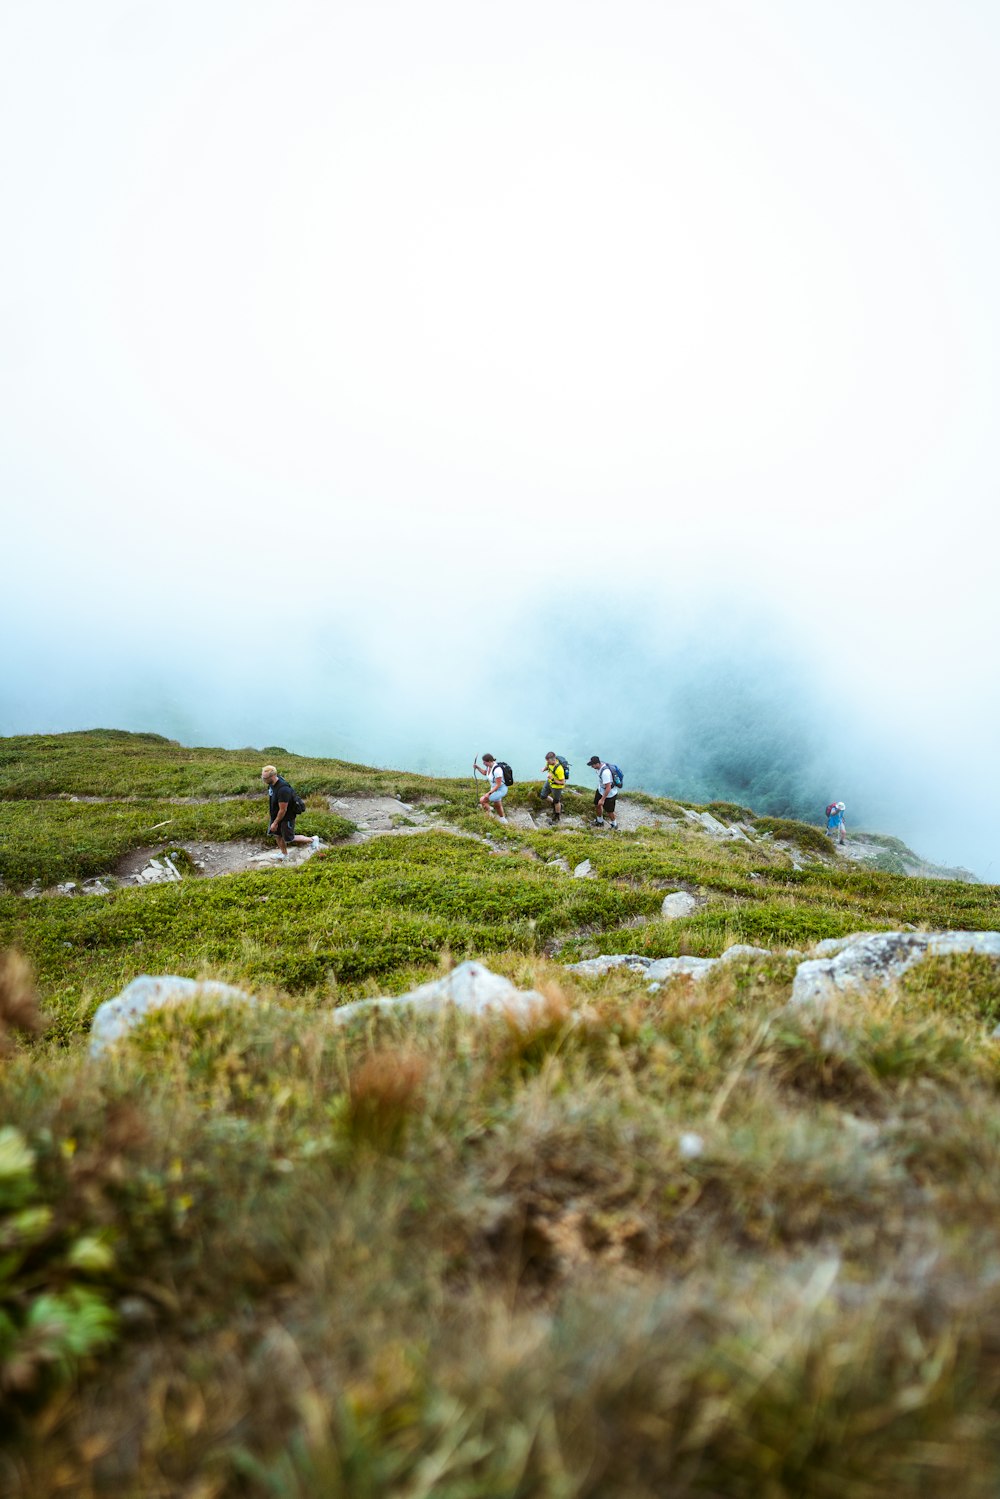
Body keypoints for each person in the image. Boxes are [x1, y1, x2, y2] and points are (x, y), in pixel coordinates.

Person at [261, 765, 320, 859]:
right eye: (262, 777)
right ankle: (284, 854)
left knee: (290, 838)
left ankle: (313, 839)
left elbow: (283, 810)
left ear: (272, 776)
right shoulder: (272, 783)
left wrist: (275, 822)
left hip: (286, 817)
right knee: (277, 835)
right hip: (275, 815)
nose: (263, 780)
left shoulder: (283, 790)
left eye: (265, 778)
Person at [587, 755, 619, 829]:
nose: (592, 766)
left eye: (593, 765)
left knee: (609, 811)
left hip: (609, 794)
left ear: (598, 764)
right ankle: (599, 821)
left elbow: (608, 787)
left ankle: (614, 825)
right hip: (600, 790)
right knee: (597, 804)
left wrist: (602, 799)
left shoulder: (605, 773)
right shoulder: (600, 767)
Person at [474, 754, 509, 820]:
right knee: (497, 805)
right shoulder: (489, 766)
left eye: (484, 762)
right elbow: (485, 773)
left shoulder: (497, 770)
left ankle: (491, 816)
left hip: (500, 789)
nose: (483, 763)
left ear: (489, 761)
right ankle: (503, 820)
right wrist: (477, 767)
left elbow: (498, 785)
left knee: (483, 800)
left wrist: (489, 793)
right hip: (494, 789)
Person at [538, 752, 567, 823]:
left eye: (548, 761)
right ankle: (557, 805)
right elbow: (547, 766)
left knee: (556, 801)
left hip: (557, 787)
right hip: (549, 782)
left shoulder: (559, 769)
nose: (547, 762)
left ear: (553, 760)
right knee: (543, 796)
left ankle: (557, 815)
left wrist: (553, 779)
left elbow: (563, 782)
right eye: (547, 761)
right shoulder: (549, 763)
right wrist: (544, 769)